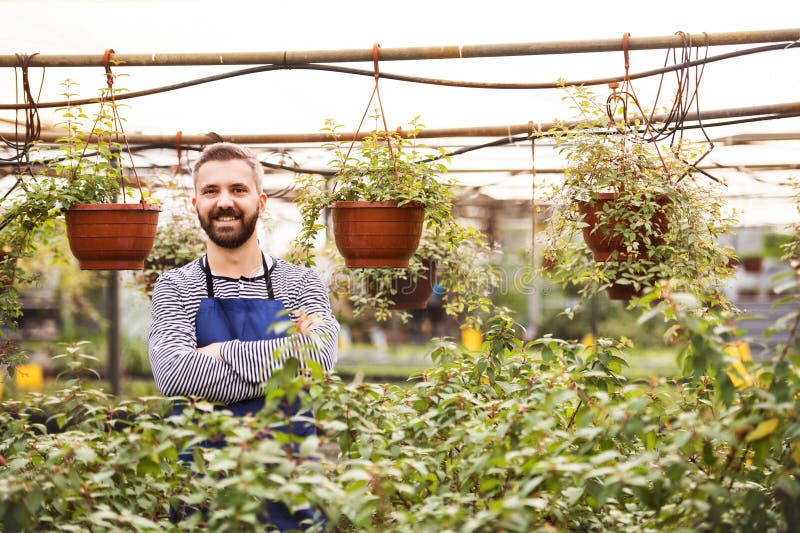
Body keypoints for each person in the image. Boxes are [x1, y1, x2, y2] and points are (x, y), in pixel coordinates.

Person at [148, 142, 339, 529]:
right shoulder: (175, 287)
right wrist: (283, 364)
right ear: (195, 204)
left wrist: (219, 352)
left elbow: (318, 357)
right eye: (211, 191)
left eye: (238, 190)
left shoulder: (301, 283)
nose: (224, 202)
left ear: (261, 201)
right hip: (202, 493)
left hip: (289, 490)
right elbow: (172, 373)